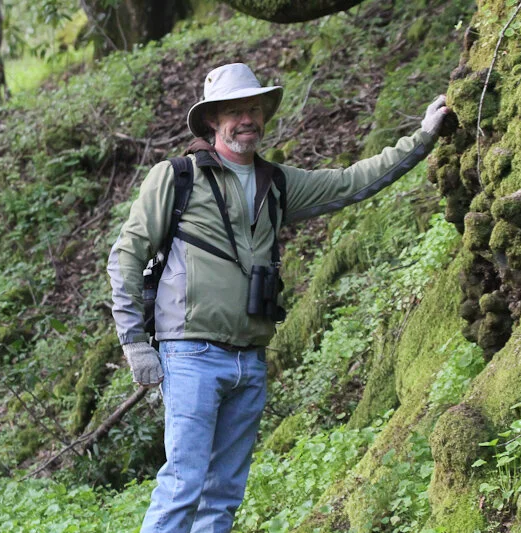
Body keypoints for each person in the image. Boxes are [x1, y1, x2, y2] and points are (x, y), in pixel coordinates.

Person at [107, 62, 448, 533]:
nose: (246, 118)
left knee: (223, 495)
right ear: (212, 120)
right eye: (234, 110)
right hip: (191, 353)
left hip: (250, 361)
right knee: (183, 484)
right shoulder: (177, 177)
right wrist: (133, 342)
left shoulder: (279, 183)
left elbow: (352, 181)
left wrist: (423, 136)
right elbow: (126, 254)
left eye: (254, 108)